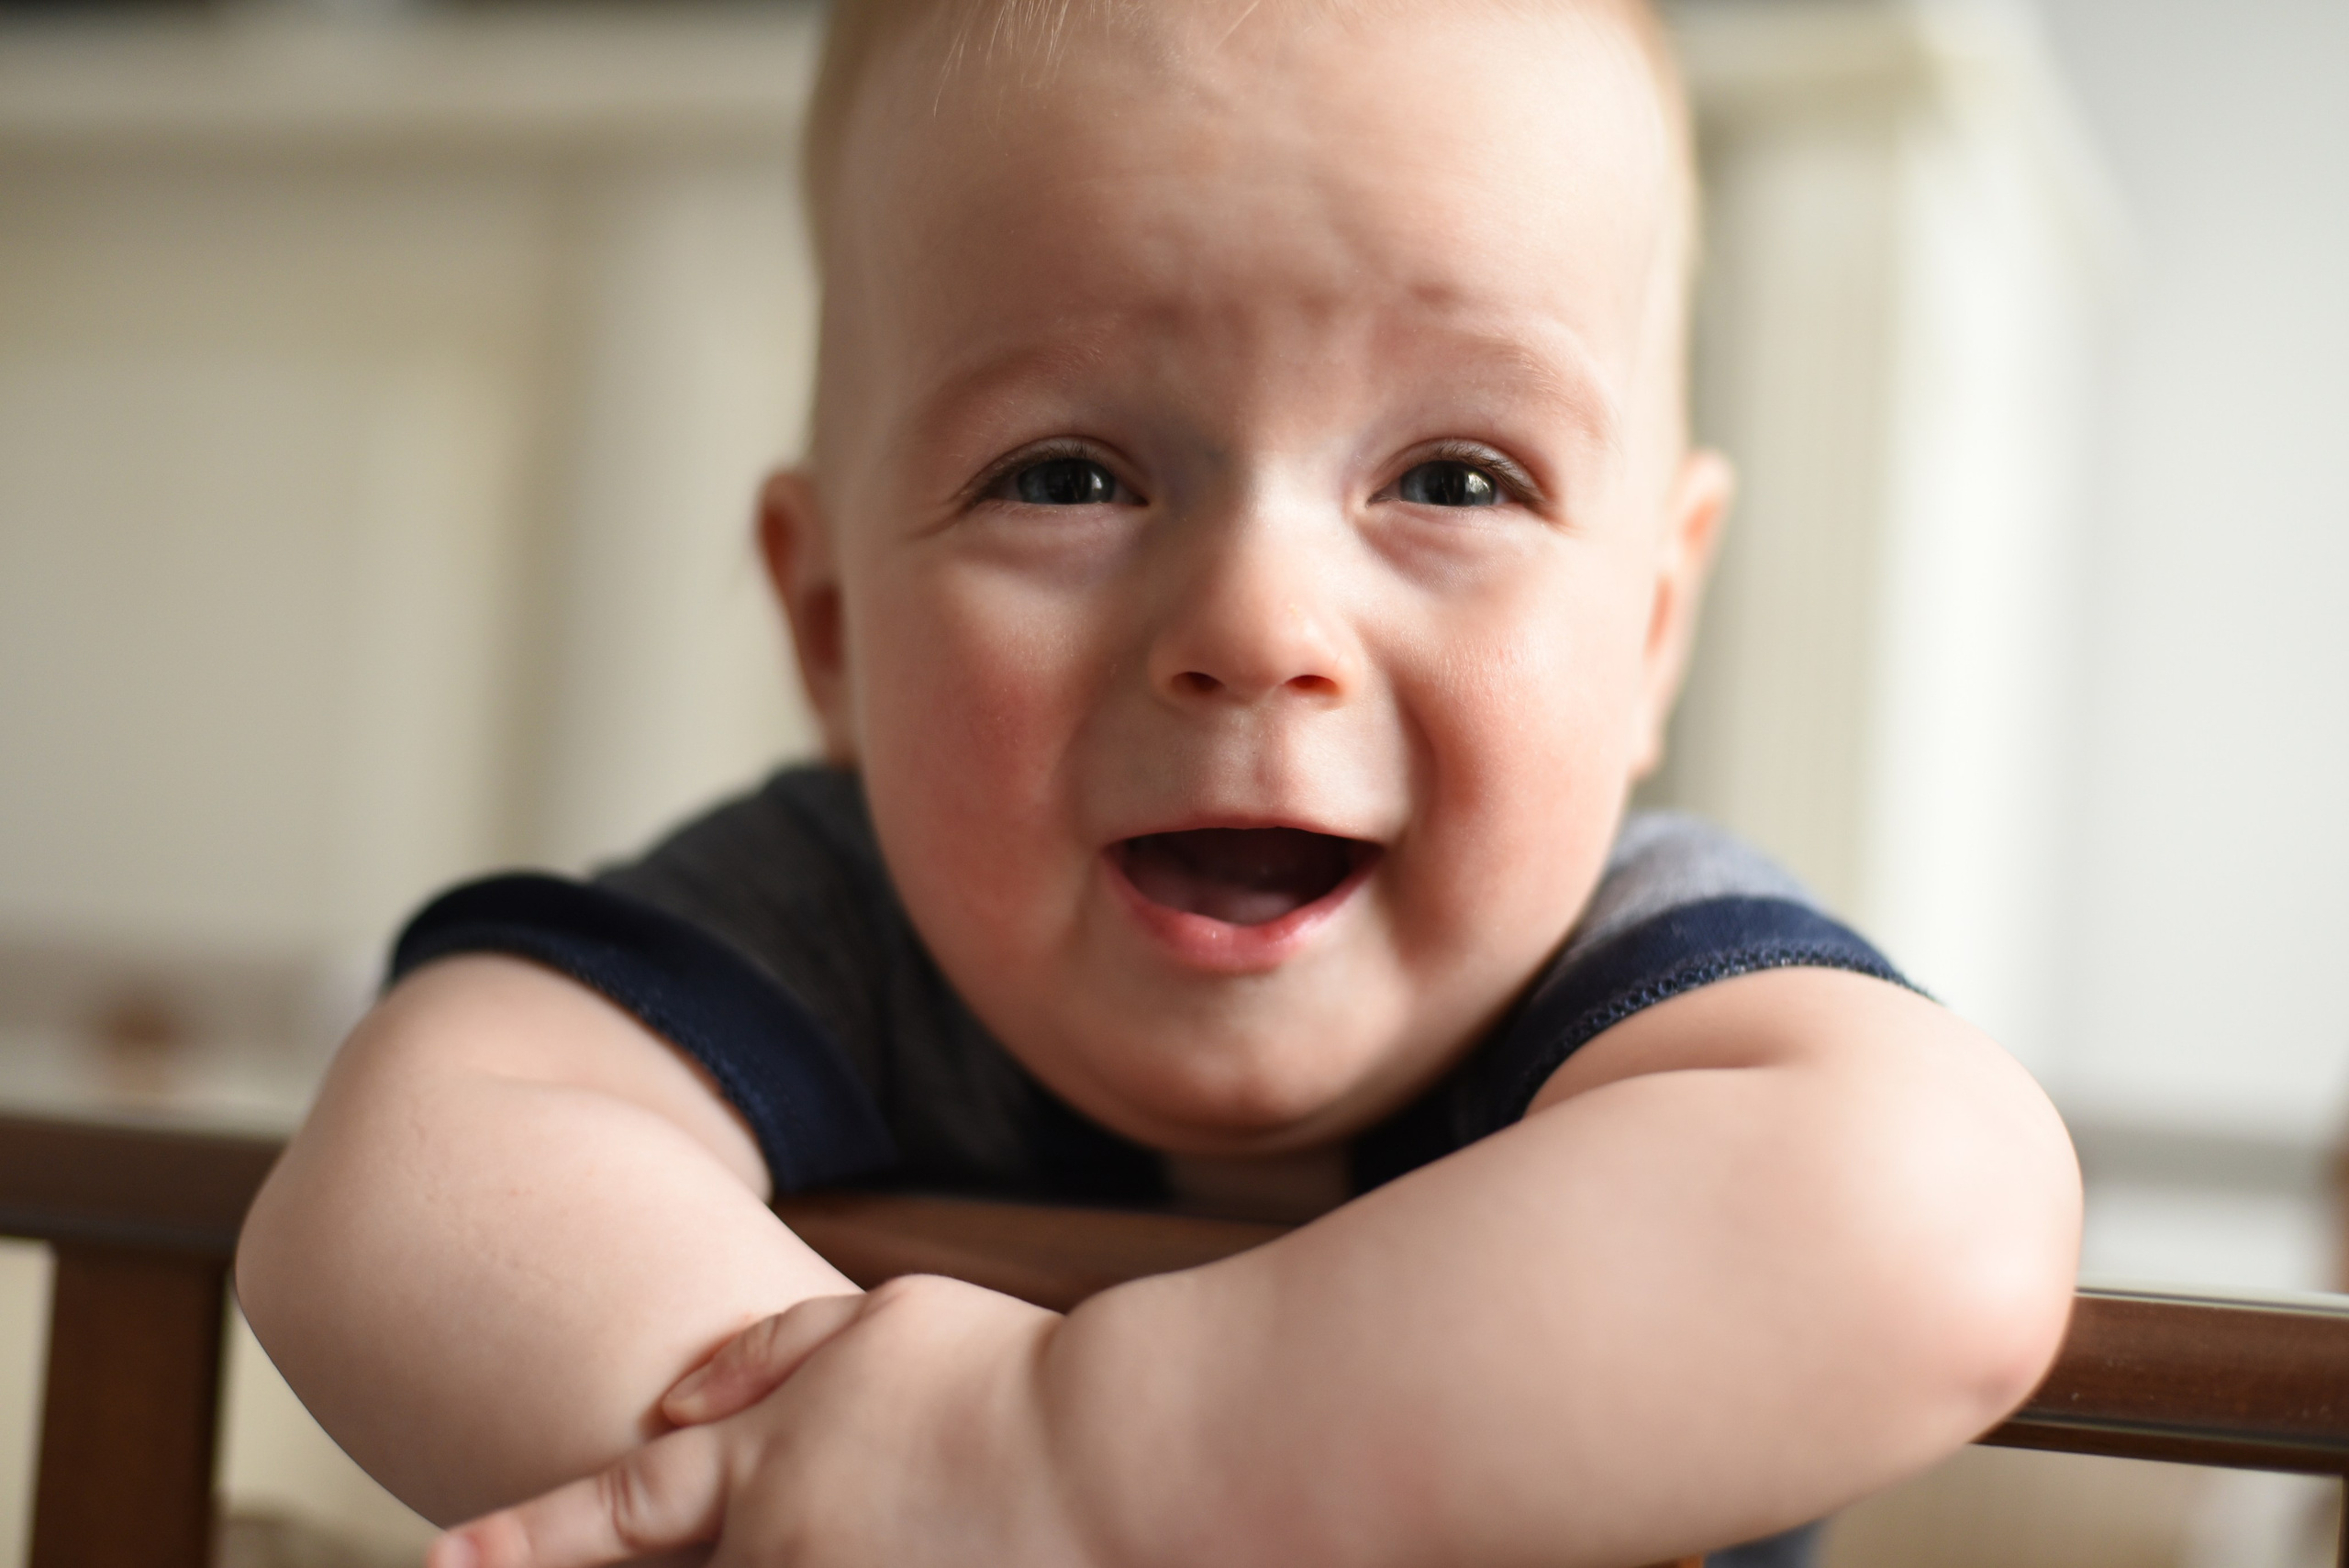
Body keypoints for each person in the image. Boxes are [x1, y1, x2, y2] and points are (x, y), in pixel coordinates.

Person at [234, 0, 2084, 1563]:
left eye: (1452, 480)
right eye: (1064, 476)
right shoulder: (827, 919)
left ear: (1653, 630)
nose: (1255, 623)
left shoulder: (1635, 983)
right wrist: (847, 1474)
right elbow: (400, 1187)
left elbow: (1938, 1215)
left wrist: (1059, 1467)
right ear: (827, 625)